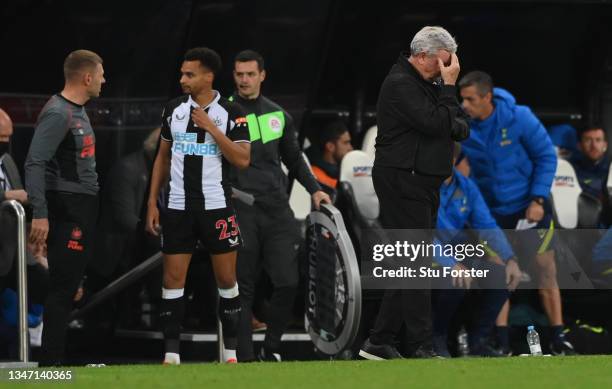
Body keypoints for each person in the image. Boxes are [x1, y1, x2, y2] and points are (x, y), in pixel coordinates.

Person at [359, 26, 470, 360]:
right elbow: (438, 124)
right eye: (443, 63)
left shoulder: (429, 84)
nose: (447, 70)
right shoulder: (399, 84)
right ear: (422, 56)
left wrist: (445, 104)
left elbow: (461, 127)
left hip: (423, 181)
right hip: (403, 180)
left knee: (408, 262)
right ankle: (421, 346)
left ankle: (380, 341)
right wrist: (448, 91)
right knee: (417, 262)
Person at [145, 47, 251, 365]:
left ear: (208, 76)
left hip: (216, 206)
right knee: (172, 280)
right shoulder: (173, 109)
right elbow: (162, 157)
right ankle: (171, 355)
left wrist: (212, 128)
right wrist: (152, 201)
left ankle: (230, 354)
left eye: (189, 74)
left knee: (227, 281)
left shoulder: (233, 112)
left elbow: (243, 160)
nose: (183, 79)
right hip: (177, 206)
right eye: (182, 73)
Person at [458, 70, 576, 355]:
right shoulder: (462, 124)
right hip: (491, 214)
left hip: (528, 208)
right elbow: (457, 162)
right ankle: (501, 343)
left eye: (470, 100)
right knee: (500, 275)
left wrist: (537, 199)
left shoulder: (519, 117)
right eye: (461, 100)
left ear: (487, 98)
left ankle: (559, 339)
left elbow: (546, 156)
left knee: (547, 271)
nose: (464, 105)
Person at [229, 49, 330, 361]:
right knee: (241, 286)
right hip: (239, 205)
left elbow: (294, 160)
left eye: (249, 74)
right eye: (239, 74)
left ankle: (270, 348)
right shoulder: (222, 112)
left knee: (288, 281)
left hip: (276, 208)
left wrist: (315, 190)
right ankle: (245, 358)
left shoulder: (277, 115)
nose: (244, 79)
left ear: (262, 75)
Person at [25, 50, 105, 366]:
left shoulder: (75, 110)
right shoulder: (59, 113)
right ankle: (51, 366)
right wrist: (41, 214)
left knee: (68, 287)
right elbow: (35, 162)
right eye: (101, 73)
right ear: (87, 77)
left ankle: (55, 360)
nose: (103, 79)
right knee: (62, 290)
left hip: (81, 206)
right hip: (69, 207)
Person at [432, 143, 522, 357]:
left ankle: (478, 341)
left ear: (453, 160)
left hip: (458, 254)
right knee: (453, 278)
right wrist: (451, 264)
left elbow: (487, 226)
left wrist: (510, 258)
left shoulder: (466, 187)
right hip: (423, 254)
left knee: (500, 275)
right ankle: (436, 338)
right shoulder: (421, 186)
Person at [0, 108, 29, 280]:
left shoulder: (7, 161)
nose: (5, 141)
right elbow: (13, 195)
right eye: (1, 137)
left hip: (14, 250)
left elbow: (21, 197)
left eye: (8, 136)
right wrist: (7, 195)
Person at [305, 119, 353, 199]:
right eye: (346, 143)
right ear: (330, 146)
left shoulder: (347, 171)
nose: (350, 148)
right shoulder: (314, 175)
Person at [570, 124, 609, 201]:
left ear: (605, 145)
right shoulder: (570, 170)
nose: (594, 145)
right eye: (588, 140)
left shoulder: (610, 168)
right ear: (579, 146)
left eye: (598, 140)